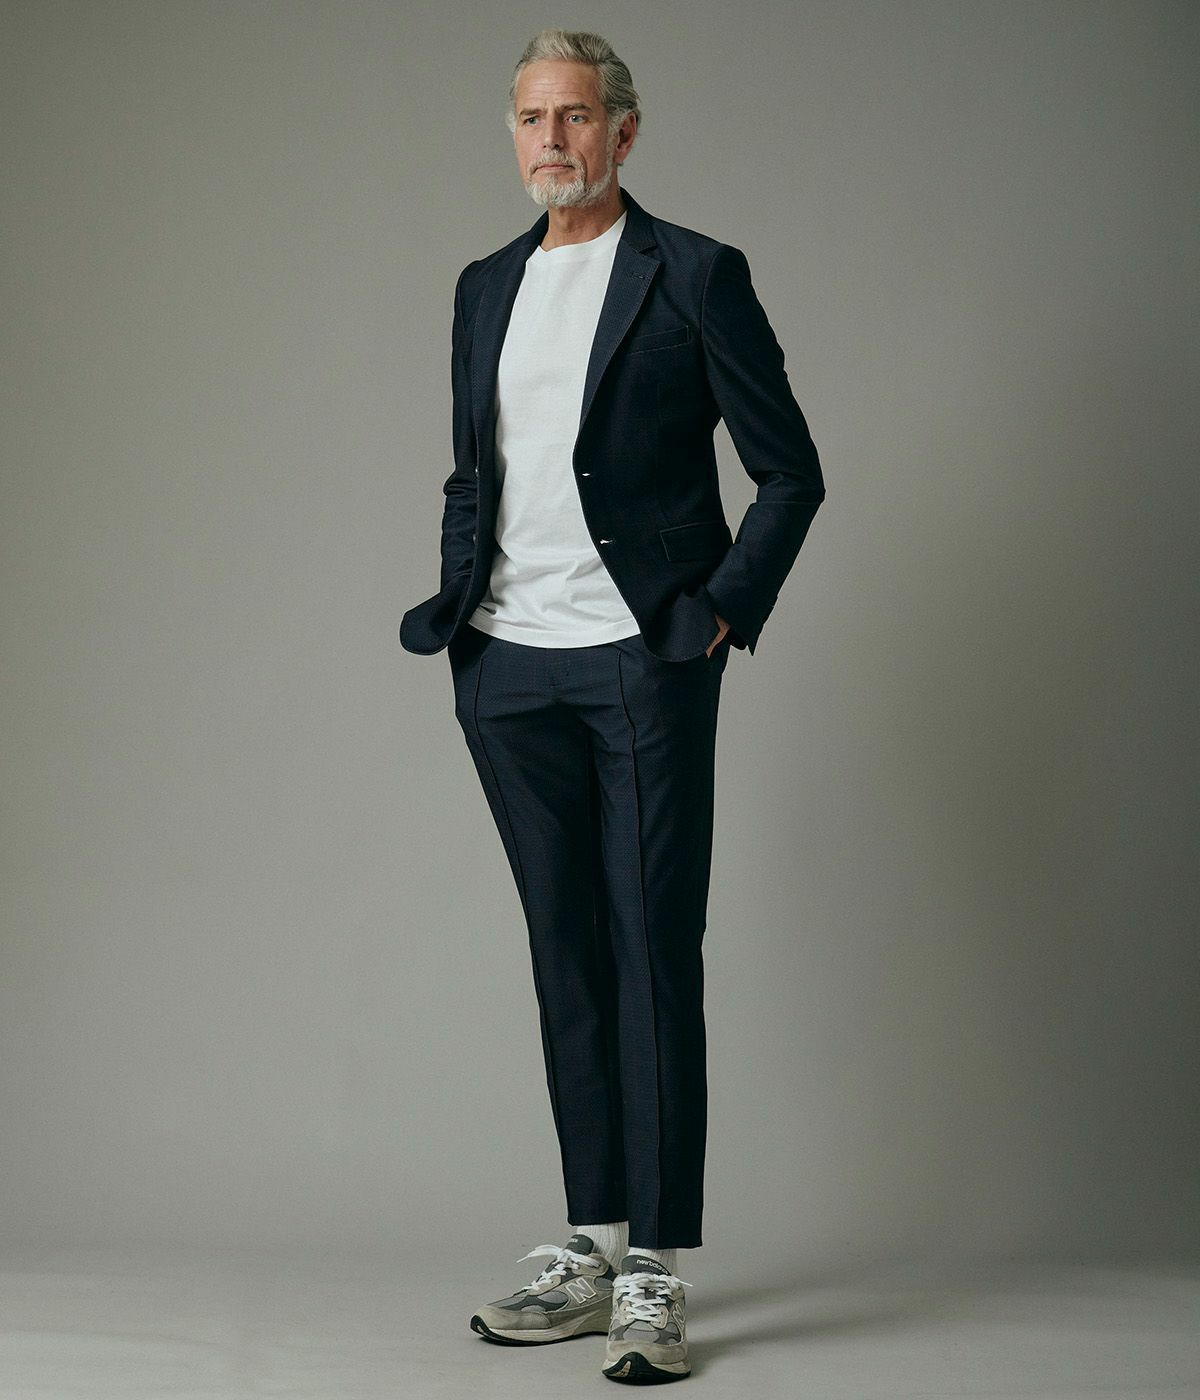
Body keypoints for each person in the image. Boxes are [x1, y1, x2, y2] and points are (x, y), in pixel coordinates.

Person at [399, 27, 825, 1383]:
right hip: (507, 667)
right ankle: (590, 1245)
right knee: (564, 951)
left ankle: (658, 1269)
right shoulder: (483, 286)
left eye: (576, 117)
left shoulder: (694, 274)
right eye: (533, 119)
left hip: (643, 659)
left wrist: (717, 612)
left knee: (651, 950)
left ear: (624, 132)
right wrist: (460, 602)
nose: (553, 142)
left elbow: (791, 470)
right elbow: (476, 471)